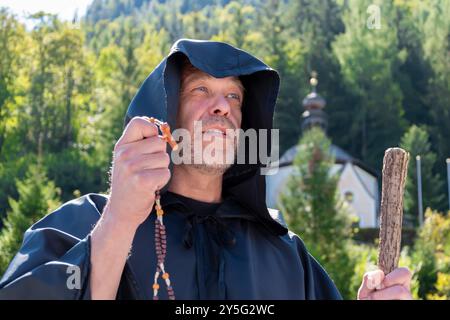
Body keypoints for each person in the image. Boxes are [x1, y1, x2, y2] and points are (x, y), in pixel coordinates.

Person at [0, 39, 412, 300]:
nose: (222, 106)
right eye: (200, 89)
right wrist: (120, 221)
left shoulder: (284, 253)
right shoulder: (85, 222)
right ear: (164, 114)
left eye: (233, 95)